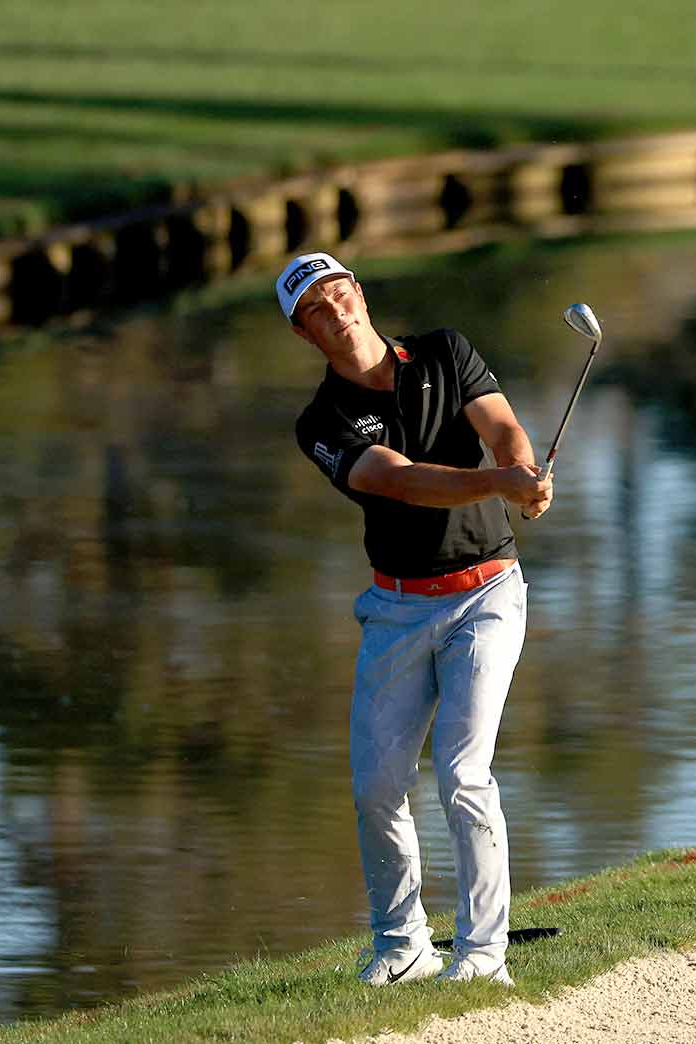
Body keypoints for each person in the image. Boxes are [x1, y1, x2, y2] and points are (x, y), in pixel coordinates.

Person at [280, 252, 552, 986]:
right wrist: (497, 480)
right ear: (306, 334)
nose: (336, 311)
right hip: (398, 607)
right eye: (317, 309)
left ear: (361, 295)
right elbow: (397, 482)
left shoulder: (444, 351)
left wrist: (522, 474)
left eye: (340, 294)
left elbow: (504, 429)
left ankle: (483, 956)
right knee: (377, 783)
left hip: (488, 592)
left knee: (464, 772)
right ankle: (403, 947)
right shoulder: (321, 423)